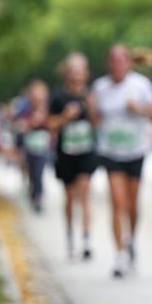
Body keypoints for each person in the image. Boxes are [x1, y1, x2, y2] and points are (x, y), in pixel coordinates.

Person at [92, 44, 152, 278]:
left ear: (129, 63)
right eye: (113, 59)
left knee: (132, 205)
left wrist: (139, 108)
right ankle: (119, 255)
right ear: (108, 63)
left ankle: (131, 240)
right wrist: (91, 112)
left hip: (135, 150)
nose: (117, 63)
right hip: (110, 151)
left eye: (122, 59)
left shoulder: (141, 85)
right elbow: (94, 119)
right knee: (117, 203)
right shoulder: (100, 87)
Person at [49, 52, 98, 260]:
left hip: (86, 151)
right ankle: (70, 237)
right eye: (72, 72)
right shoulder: (58, 97)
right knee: (69, 197)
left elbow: (97, 123)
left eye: (80, 72)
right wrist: (65, 117)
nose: (76, 76)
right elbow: (50, 124)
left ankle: (86, 239)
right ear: (66, 74)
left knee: (85, 192)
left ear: (86, 74)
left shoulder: (91, 96)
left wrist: (92, 106)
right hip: (66, 152)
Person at [18, 80, 51, 214]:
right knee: (31, 171)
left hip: (42, 147)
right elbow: (20, 124)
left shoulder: (47, 108)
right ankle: (33, 191)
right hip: (29, 146)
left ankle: (38, 197)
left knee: (39, 172)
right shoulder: (26, 108)